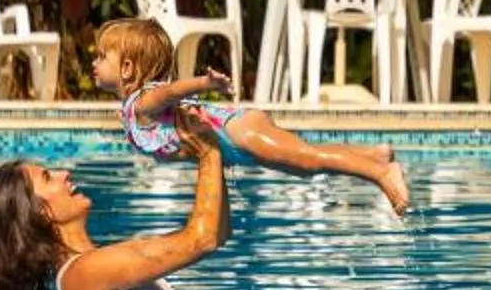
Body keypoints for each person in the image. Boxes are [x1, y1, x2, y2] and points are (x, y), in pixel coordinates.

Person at [90, 16, 410, 213]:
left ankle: (381, 174)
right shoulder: (133, 110)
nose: (94, 63)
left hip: (238, 130)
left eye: (102, 57)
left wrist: (203, 83)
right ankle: (371, 156)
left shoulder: (143, 101)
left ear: (128, 68)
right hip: (237, 145)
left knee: (308, 158)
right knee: (305, 165)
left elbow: (168, 92)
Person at [0, 122, 229, 290]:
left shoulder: (94, 262)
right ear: (41, 212)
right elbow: (202, 240)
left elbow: (217, 234)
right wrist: (208, 153)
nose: (64, 174)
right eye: (48, 177)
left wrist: (217, 159)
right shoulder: (84, 273)